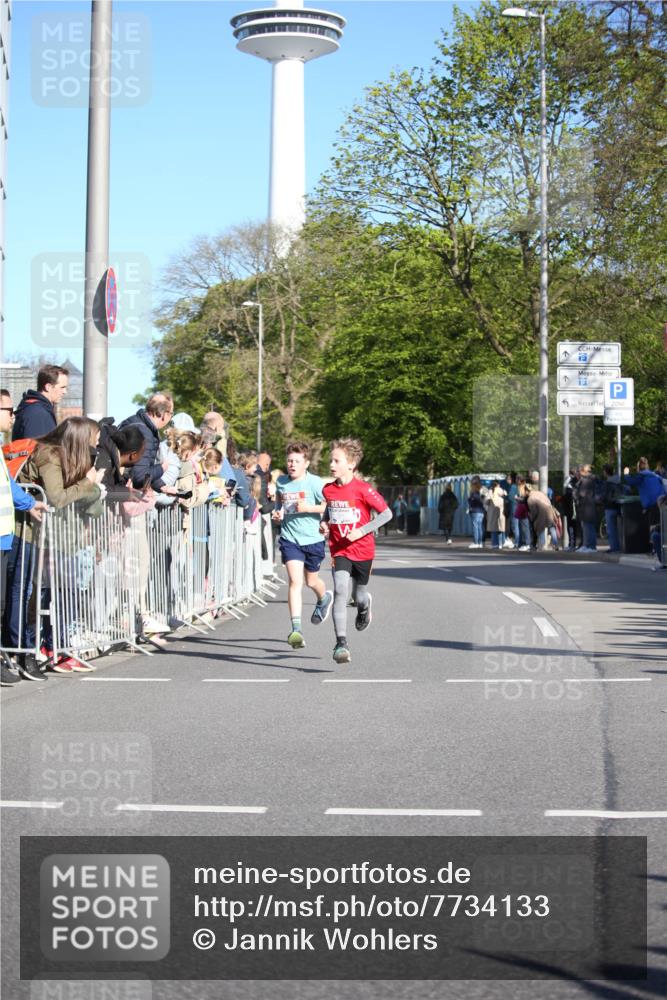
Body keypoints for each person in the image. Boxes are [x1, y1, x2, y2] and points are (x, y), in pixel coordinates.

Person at [10, 417, 105, 675]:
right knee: (33, 594)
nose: (95, 447)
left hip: (52, 535)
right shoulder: (49, 455)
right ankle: (30, 648)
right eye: (93, 441)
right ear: (79, 438)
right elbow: (56, 497)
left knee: (55, 593)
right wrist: (88, 483)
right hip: (29, 534)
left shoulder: (65, 457)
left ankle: (53, 647)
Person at [321, 438, 392, 665]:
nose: (331, 464)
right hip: (339, 549)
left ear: (351, 464)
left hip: (362, 550)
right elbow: (329, 512)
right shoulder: (328, 489)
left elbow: (386, 514)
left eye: (336, 460)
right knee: (340, 590)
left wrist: (361, 531)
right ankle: (341, 643)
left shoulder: (363, 490)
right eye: (331, 460)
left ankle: (364, 607)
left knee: (358, 595)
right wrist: (323, 523)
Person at [0, 390, 48, 686]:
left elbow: (6, 483)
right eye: (8, 409)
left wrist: (30, 503)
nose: (12, 415)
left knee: (2, 602)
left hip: (4, 536)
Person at [273, 442, 332, 649]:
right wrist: (278, 512)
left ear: (306, 463)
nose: (292, 464)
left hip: (313, 539)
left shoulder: (314, 483)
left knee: (311, 581)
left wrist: (309, 507)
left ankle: (324, 598)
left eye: (297, 461)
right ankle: (296, 630)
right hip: (291, 539)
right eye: (289, 460)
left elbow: (328, 506)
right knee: (294, 582)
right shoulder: (281, 482)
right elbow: (280, 504)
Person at [118, 393, 178, 493]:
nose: (170, 417)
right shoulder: (144, 433)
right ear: (164, 415)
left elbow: (141, 468)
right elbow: (140, 476)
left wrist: (162, 487)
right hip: (120, 494)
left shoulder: (135, 422)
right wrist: (161, 468)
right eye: (171, 414)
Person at [12, 364, 69, 441]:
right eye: (62, 387)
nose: (65, 392)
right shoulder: (37, 413)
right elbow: (37, 450)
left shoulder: (37, 409)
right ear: (48, 387)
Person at [623, 457, 666, 525]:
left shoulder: (641, 477)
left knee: (653, 529)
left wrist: (626, 474)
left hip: (652, 508)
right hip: (663, 505)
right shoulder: (656, 476)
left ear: (638, 468)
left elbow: (630, 481)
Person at [526, 482, 559, 551]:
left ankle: (542, 545)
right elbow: (548, 500)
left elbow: (534, 511)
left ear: (527, 491)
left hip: (541, 513)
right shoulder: (540, 493)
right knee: (552, 528)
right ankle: (556, 544)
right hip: (549, 510)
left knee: (540, 529)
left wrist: (532, 518)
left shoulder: (530, 498)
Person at [599, 464, 624, 554]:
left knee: (611, 529)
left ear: (605, 472)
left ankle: (614, 547)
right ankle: (620, 546)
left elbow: (604, 496)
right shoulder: (618, 481)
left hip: (609, 506)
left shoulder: (607, 483)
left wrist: (599, 499)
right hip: (618, 506)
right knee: (619, 528)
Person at [573, 464, 598, 552]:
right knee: (586, 526)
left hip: (587, 506)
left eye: (580, 471)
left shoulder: (587, 480)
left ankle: (591, 546)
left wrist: (577, 495)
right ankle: (586, 545)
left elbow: (581, 493)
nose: (578, 473)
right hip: (586, 506)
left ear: (584, 471)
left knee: (589, 526)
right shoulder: (586, 480)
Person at [484, 481, 507, 549]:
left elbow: (486, 502)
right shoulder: (503, 491)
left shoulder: (490, 492)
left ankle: (495, 544)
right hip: (501, 512)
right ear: (498, 485)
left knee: (494, 529)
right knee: (500, 528)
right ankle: (501, 543)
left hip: (492, 512)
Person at [467, 477, 485, 548]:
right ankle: (480, 542)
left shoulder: (474, 493)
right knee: (480, 527)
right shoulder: (481, 492)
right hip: (481, 511)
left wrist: (469, 499)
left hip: (475, 511)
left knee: (475, 527)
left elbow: (472, 502)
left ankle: (476, 542)